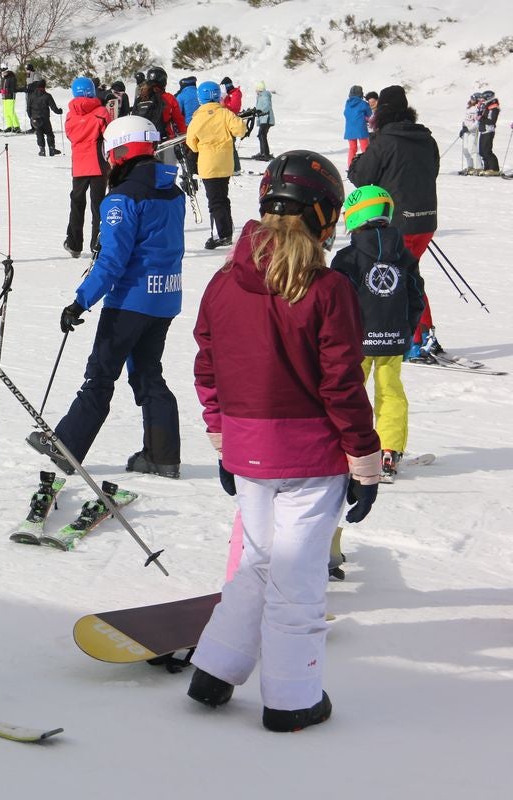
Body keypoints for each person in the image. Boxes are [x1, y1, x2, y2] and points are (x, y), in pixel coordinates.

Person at [187, 150, 381, 733]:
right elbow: (342, 385)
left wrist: (223, 438)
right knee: (294, 574)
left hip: (249, 449)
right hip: (308, 457)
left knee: (259, 560)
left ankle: (216, 669)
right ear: (323, 216)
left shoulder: (224, 284)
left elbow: (208, 366)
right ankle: (294, 700)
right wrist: (365, 464)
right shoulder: (328, 290)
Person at [26, 115, 184, 480]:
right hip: (165, 298)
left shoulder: (122, 199)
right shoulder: (172, 191)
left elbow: (112, 261)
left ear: (120, 152)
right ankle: (162, 456)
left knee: (101, 373)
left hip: (130, 301)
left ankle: (66, 447)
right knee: (148, 375)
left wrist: (80, 301)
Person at [331, 185, 425, 482]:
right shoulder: (404, 255)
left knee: (349, 393)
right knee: (391, 393)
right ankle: (389, 451)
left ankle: (348, 448)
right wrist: (408, 330)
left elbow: (335, 301)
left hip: (355, 341)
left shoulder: (347, 258)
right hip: (394, 340)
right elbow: (416, 297)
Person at [348, 85, 441, 356]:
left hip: (399, 222)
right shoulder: (426, 138)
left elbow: (361, 177)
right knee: (408, 274)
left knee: (397, 278)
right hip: (426, 220)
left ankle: (415, 338)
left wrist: (359, 160)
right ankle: (421, 335)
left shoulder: (384, 140)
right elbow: (431, 172)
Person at [187, 81, 247, 249]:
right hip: (226, 163)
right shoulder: (225, 114)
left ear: (201, 98)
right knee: (222, 197)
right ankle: (227, 229)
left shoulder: (198, 118)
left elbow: (191, 143)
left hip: (208, 164)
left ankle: (222, 235)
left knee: (215, 201)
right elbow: (240, 130)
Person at [63, 75, 111, 257]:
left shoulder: (70, 114)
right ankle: (97, 244)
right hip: (98, 163)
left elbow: (69, 135)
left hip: (79, 164)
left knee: (77, 202)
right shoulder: (101, 111)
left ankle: (74, 244)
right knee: (98, 204)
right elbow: (110, 134)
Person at [130, 66, 185, 143]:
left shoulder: (141, 98)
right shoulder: (169, 98)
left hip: (142, 140)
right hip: (163, 139)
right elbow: (179, 120)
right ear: (164, 82)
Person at [27, 79, 62, 157]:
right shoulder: (47, 96)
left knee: (39, 134)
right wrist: (59, 111)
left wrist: (31, 118)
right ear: (44, 86)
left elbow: (28, 109)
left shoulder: (31, 96)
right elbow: (54, 108)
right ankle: (52, 149)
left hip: (35, 118)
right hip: (45, 118)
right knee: (49, 134)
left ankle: (42, 150)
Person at [342, 85, 370, 165]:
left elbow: (346, 113)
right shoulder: (363, 104)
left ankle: (350, 166)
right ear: (361, 94)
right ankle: (367, 164)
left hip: (350, 129)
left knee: (352, 148)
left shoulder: (347, 104)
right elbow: (369, 114)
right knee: (365, 148)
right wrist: (365, 118)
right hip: (361, 129)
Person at [475, 89, 500, 175]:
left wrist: (481, 118)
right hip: (483, 130)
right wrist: (479, 111)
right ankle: (487, 168)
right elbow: (481, 115)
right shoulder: (486, 106)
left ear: (488, 98)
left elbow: (492, 121)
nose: (482, 100)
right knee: (481, 151)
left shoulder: (494, 107)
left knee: (487, 151)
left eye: (483, 98)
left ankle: (494, 169)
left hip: (489, 131)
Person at [0, 64, 21, 133]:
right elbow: (2, 89)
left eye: (4, 72)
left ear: (7, 71)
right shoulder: (3, 79)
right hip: (4, 98)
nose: (3, 73)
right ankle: (9, 126)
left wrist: (6, 91)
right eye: (2, 72)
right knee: (6, 112)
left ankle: (17, 127)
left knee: (11, 112)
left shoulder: (12, 78)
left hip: (11, 97)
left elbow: (14, 89)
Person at [459, 92, 482, 175]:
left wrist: (469, 128)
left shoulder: (478, 108)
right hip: (466, 130)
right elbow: (466, 119)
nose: (471, 100)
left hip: (472, 131)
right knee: (465, 149)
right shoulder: (469, 107)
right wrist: (463, 128)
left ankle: (479, 167)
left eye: (473, 99)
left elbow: (477, 122)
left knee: (473, 149)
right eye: (471, 98)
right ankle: (470, 166)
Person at [252, 81, 274, 160]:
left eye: (256, 89)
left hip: (266, 119)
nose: (255, 91)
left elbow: (267, 106)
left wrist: (261, 111)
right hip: (263, 119)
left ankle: (265, 154)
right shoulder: (260, 96)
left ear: (259, 89)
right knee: (261, 135)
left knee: (262, 135)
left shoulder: (264, 95)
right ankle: (263, 153)